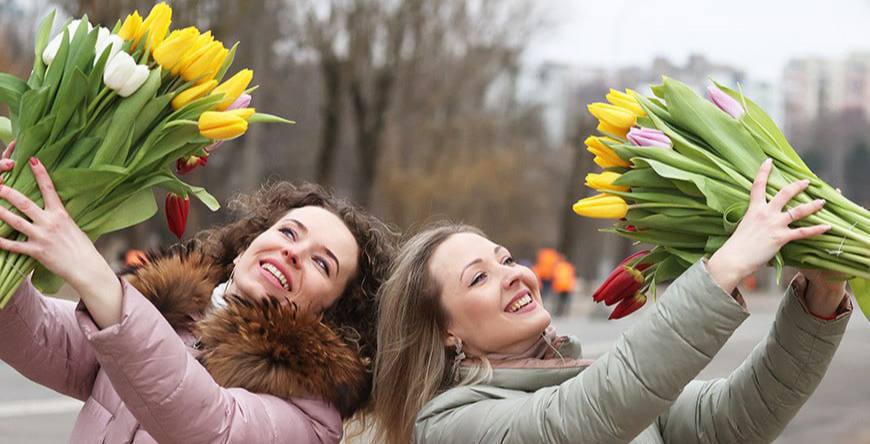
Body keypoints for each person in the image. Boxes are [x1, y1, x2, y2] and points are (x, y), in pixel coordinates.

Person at [372, 159, 851, 444]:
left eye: (506, 259)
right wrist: (723, 269)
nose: (514, 275)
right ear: (443, 331)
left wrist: (820, 298)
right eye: (479, 278)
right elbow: (580, 421)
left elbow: (734, 420)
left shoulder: (574, 374)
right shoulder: (449, 425)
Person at [0, 150, 397, 443]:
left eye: (322, 264)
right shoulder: (167, 314)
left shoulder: (311, 415)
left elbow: (211, 426)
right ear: (245, 247)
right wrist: (7, 227)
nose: (293, 252)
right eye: (289, 232)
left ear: (333, 314)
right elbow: (36, 336)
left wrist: (97, 280)